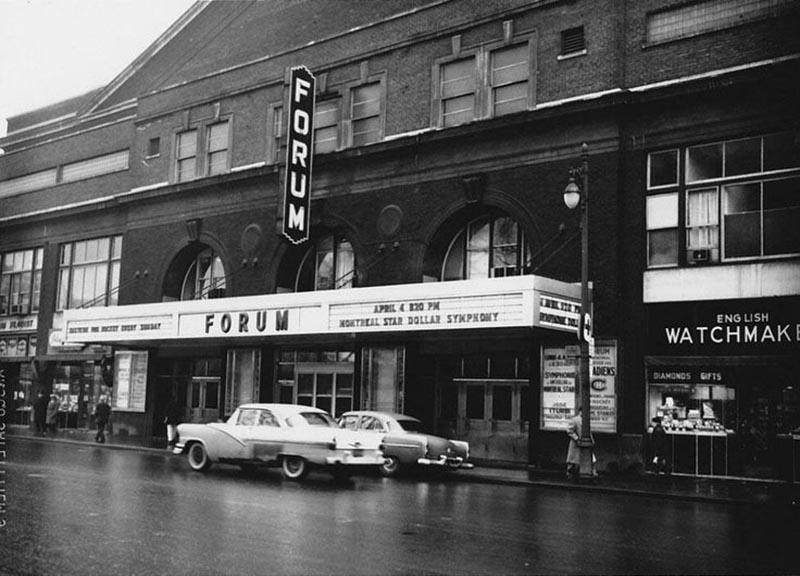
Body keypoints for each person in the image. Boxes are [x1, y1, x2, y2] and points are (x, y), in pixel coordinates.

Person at [565, 407, 596, 479]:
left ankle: (593, 472)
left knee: (591, 458)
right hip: (576, 443)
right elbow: (569, 430)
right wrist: (576, 438)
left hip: (586, 442)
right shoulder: (575, 420)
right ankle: (569, 474)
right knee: (572, 461)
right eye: (583, 411)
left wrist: (592, 441)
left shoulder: (586, 420)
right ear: (580, 411)